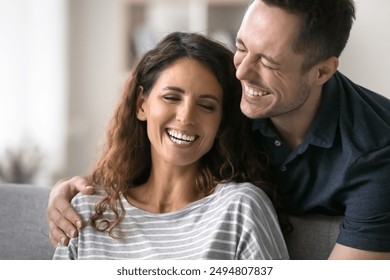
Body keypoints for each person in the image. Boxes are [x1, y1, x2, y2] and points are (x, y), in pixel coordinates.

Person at [48, 0, 390, 259]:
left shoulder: (375, 155)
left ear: (321, 72)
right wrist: (70, 190)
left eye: (269, 63)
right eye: (241, 47)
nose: (241, 73)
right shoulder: (235, 94)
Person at [52, 31, 289, 260]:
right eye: (171, 97)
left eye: (207, 106)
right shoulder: (84, 210)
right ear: (141, 105)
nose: (186, 117)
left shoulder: (241, 208)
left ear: (221, 122)